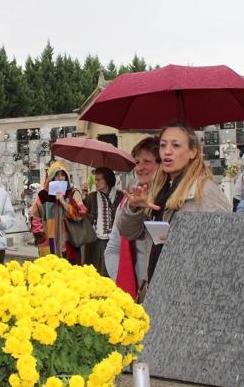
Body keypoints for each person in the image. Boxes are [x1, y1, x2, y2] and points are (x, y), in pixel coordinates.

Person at [118, 122, 231, 300]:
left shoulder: (205, 191)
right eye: (163, 145)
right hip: (156, 287)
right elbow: (128, 233)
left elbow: (224, 246)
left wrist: (178, 239)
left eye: (176, 145)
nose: (167, 151)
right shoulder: (157, 189)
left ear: (193, 152)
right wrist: (134, 208)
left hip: (190, 292)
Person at [105, 137, 159, 297]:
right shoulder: (128, 203)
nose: (140, 168)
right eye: (137, 162)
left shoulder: (172, 198)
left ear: (161, 164)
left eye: (147, 162)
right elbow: (113, 249)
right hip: (139, 293)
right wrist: (124, 288)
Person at [31, 162, 87, 264]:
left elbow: (80, 215)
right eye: (57, 175)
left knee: (71, 276)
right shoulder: (43, 195)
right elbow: (35, 217)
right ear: (51, 177)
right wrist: (41, 238)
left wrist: (63, 202)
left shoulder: (73, 193)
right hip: (49, 244)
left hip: (70, 244)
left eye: (63, 175)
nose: (60, 178)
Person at [82, 168, 124, 276]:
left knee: (113, 273)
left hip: (115, 241)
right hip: (95, 243)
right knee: (96, 273)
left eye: (98, 180)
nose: (96, 182)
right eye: (95, 180)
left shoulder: (121, 196)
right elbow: (81, 215)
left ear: (107, 180)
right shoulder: (91, 197)